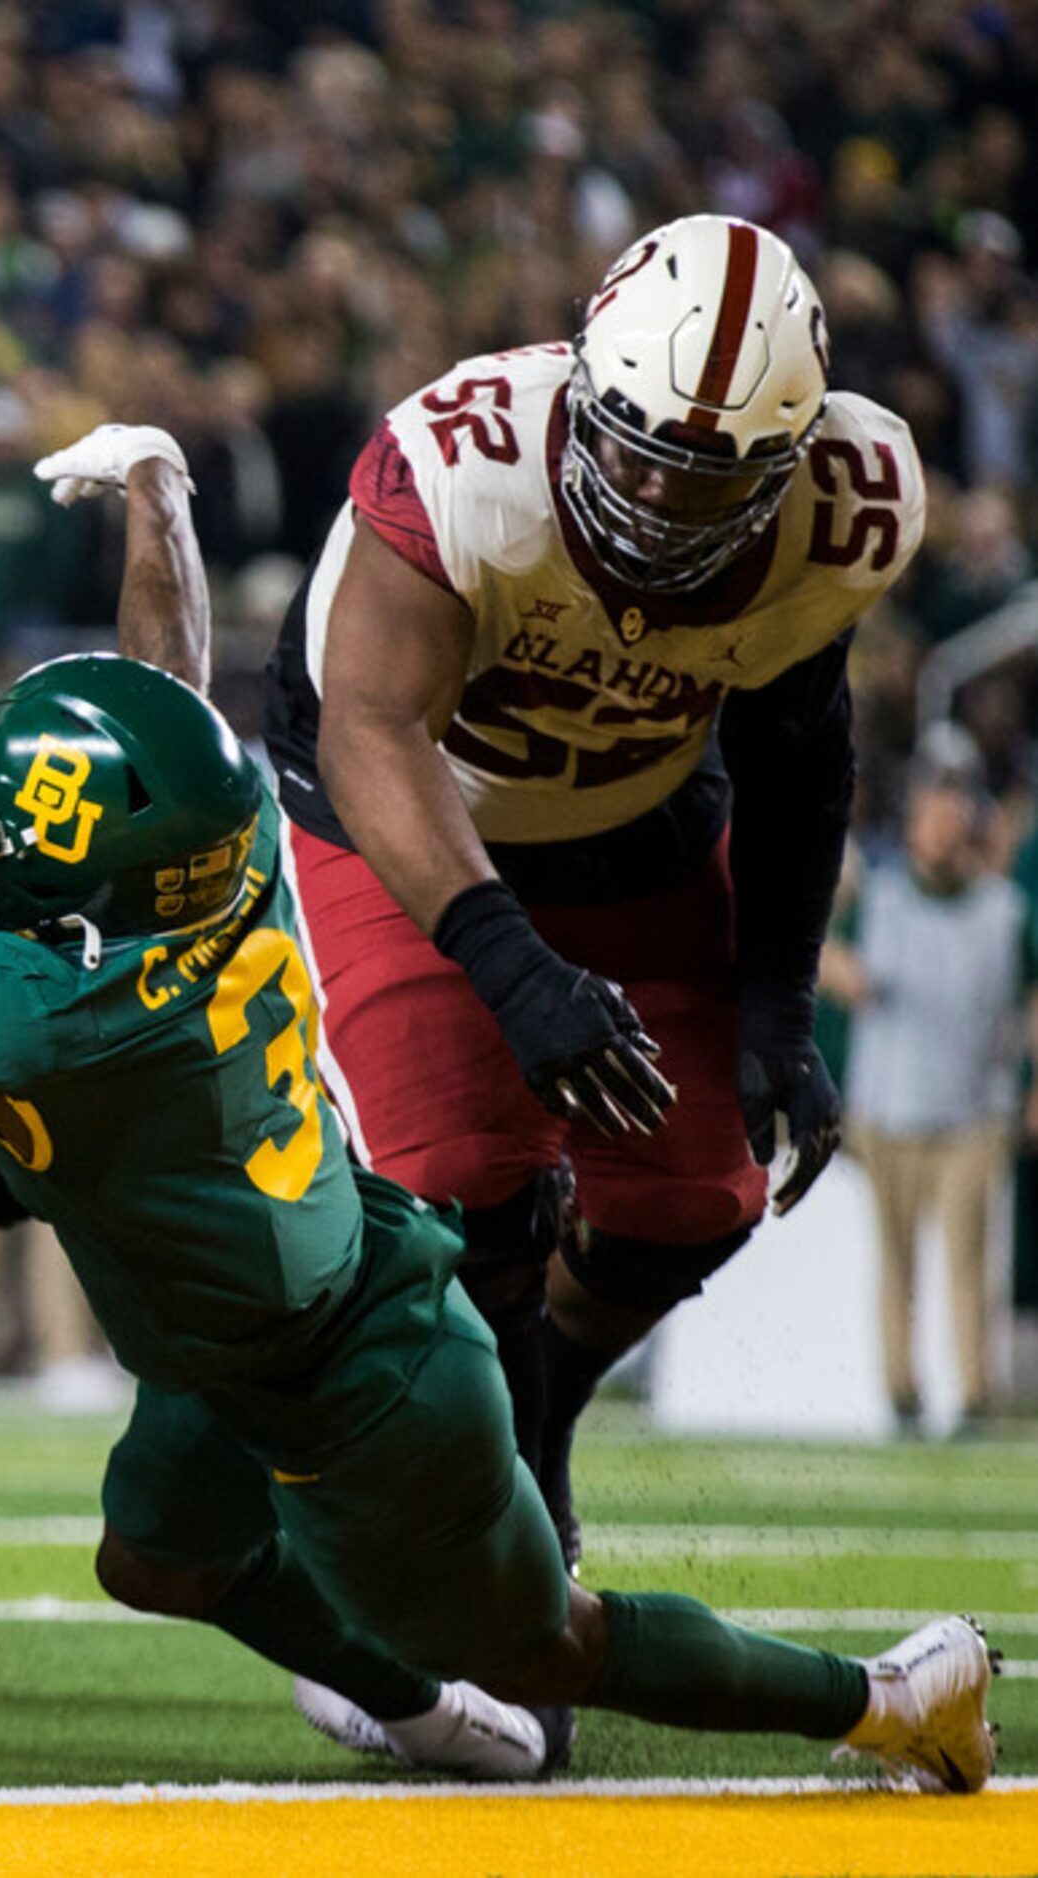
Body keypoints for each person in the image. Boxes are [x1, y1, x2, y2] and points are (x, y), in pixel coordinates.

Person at [0, 421, 996, 1797]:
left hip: (361, 1377)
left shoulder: (54, 1008)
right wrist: (160, 504)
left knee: (549, 1641)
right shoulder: (210, 858)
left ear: (78, 904)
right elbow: (165, 695)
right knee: (149, 1554)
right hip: (266, 1319)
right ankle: (411, 1700)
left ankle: (877, 1699)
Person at [260, 215, 925, 1563]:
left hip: (636, 818)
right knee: (461, 1185)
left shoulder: (844, 505)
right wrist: (507, 967)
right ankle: (479, 1525)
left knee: (694, 1194)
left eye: (709, 474)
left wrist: (777, 1005)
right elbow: (370, 727)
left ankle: (537, 1414)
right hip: (401, 809)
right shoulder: (462, 462)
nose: (658, 497)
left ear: (787, 460)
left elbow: (797, 753)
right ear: (579, 384)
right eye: (634, 448)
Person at [825, 758, 1033, 1435]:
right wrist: (843, 974)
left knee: (970, 1260)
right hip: (887, 1106)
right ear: (912, 827)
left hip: (972, 1108)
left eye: (950, 820)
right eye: (929, 819)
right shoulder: (878, 896)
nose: (939, 834)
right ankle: (900, 1391)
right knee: (893, 1261)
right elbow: (817, 949)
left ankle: (973, 1394)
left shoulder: (1004, 911)